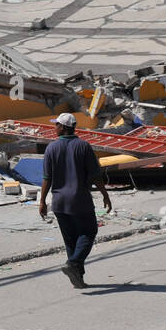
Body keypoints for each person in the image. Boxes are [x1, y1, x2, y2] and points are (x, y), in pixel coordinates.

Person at [37, 112, 112, 288]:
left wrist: (42, 201)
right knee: (88, 232)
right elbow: (95, 175)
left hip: (59, 202)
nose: (54, 127)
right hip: (80, 199)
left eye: (56, 124)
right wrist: (105, 194)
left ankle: (78, 277)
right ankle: (73, 266)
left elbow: (47, 177)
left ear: (63, 127)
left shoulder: (51, 148)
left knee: (71, 240)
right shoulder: (84, 147)